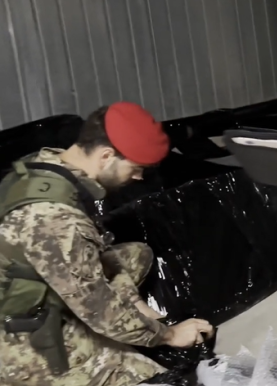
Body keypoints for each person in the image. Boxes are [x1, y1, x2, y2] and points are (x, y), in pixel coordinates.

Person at [0, 102, 214, 386]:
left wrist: (134, 303)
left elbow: (91, 255)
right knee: (149, 376)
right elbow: (101, 312)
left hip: (29, 286)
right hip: (21, 335)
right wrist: (169, 334)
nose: (138, 177)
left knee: (137, 255)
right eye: (136, 168)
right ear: (106, 156)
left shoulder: (44, 166)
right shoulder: (57, 221)